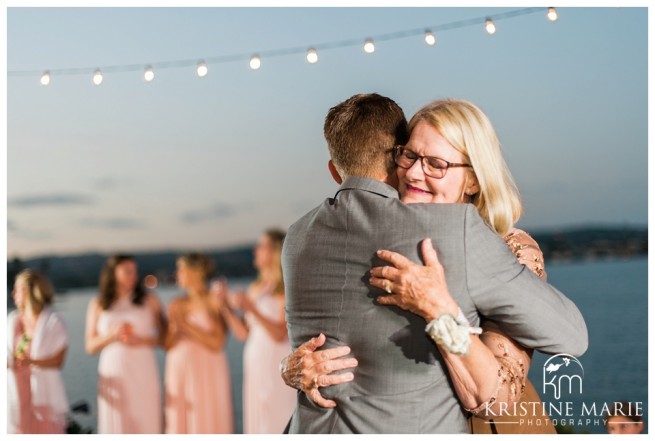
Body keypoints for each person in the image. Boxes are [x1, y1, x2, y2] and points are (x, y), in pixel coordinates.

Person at [282, 93, 587, 433]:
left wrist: (441, 311)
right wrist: (291, 368)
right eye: (408, 155)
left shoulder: (508, 245)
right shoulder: (380, 232)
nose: (413, 172)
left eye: (436, 164)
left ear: (473, 178)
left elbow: (501, 394)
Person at [226, 229, 296, 433]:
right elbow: (243, 334)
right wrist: (225, 306)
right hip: (255, 363)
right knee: (258, 416)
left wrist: (251, 308)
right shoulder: (256, 287)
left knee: (276, 416)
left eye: (261, 246)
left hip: (276, 362)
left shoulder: (284, 289)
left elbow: (279, 333)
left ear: (274, 252)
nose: (255, 250)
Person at [85, 254, 165, 433]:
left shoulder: (150, 300)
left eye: (135, 271)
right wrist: (111, 336)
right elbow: (90, 347)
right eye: (127, 271)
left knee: (146, 420)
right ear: (113, 273)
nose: (133, 276)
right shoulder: (98, 303)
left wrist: (140, 340)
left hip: (143, 372)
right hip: (114, 372)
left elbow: (166, 339)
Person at [164, 252, 234, 434]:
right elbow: (167, 344)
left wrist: (185, 325)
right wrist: (173, 330)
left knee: (206, 416)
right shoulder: (176, 303)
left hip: (206, 370)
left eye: (181, 269)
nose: (177, 274)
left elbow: (217, 341)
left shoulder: (213, 300)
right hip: (179, 368)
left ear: (195, 272)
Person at [7, 269, 69, 434]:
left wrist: (31, 362)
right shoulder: (12, 321)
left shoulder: (53, 322)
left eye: (17, 288)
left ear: (30, 290)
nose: (13, 293)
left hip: (43, 394)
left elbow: (58, 361)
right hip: (16, 392)